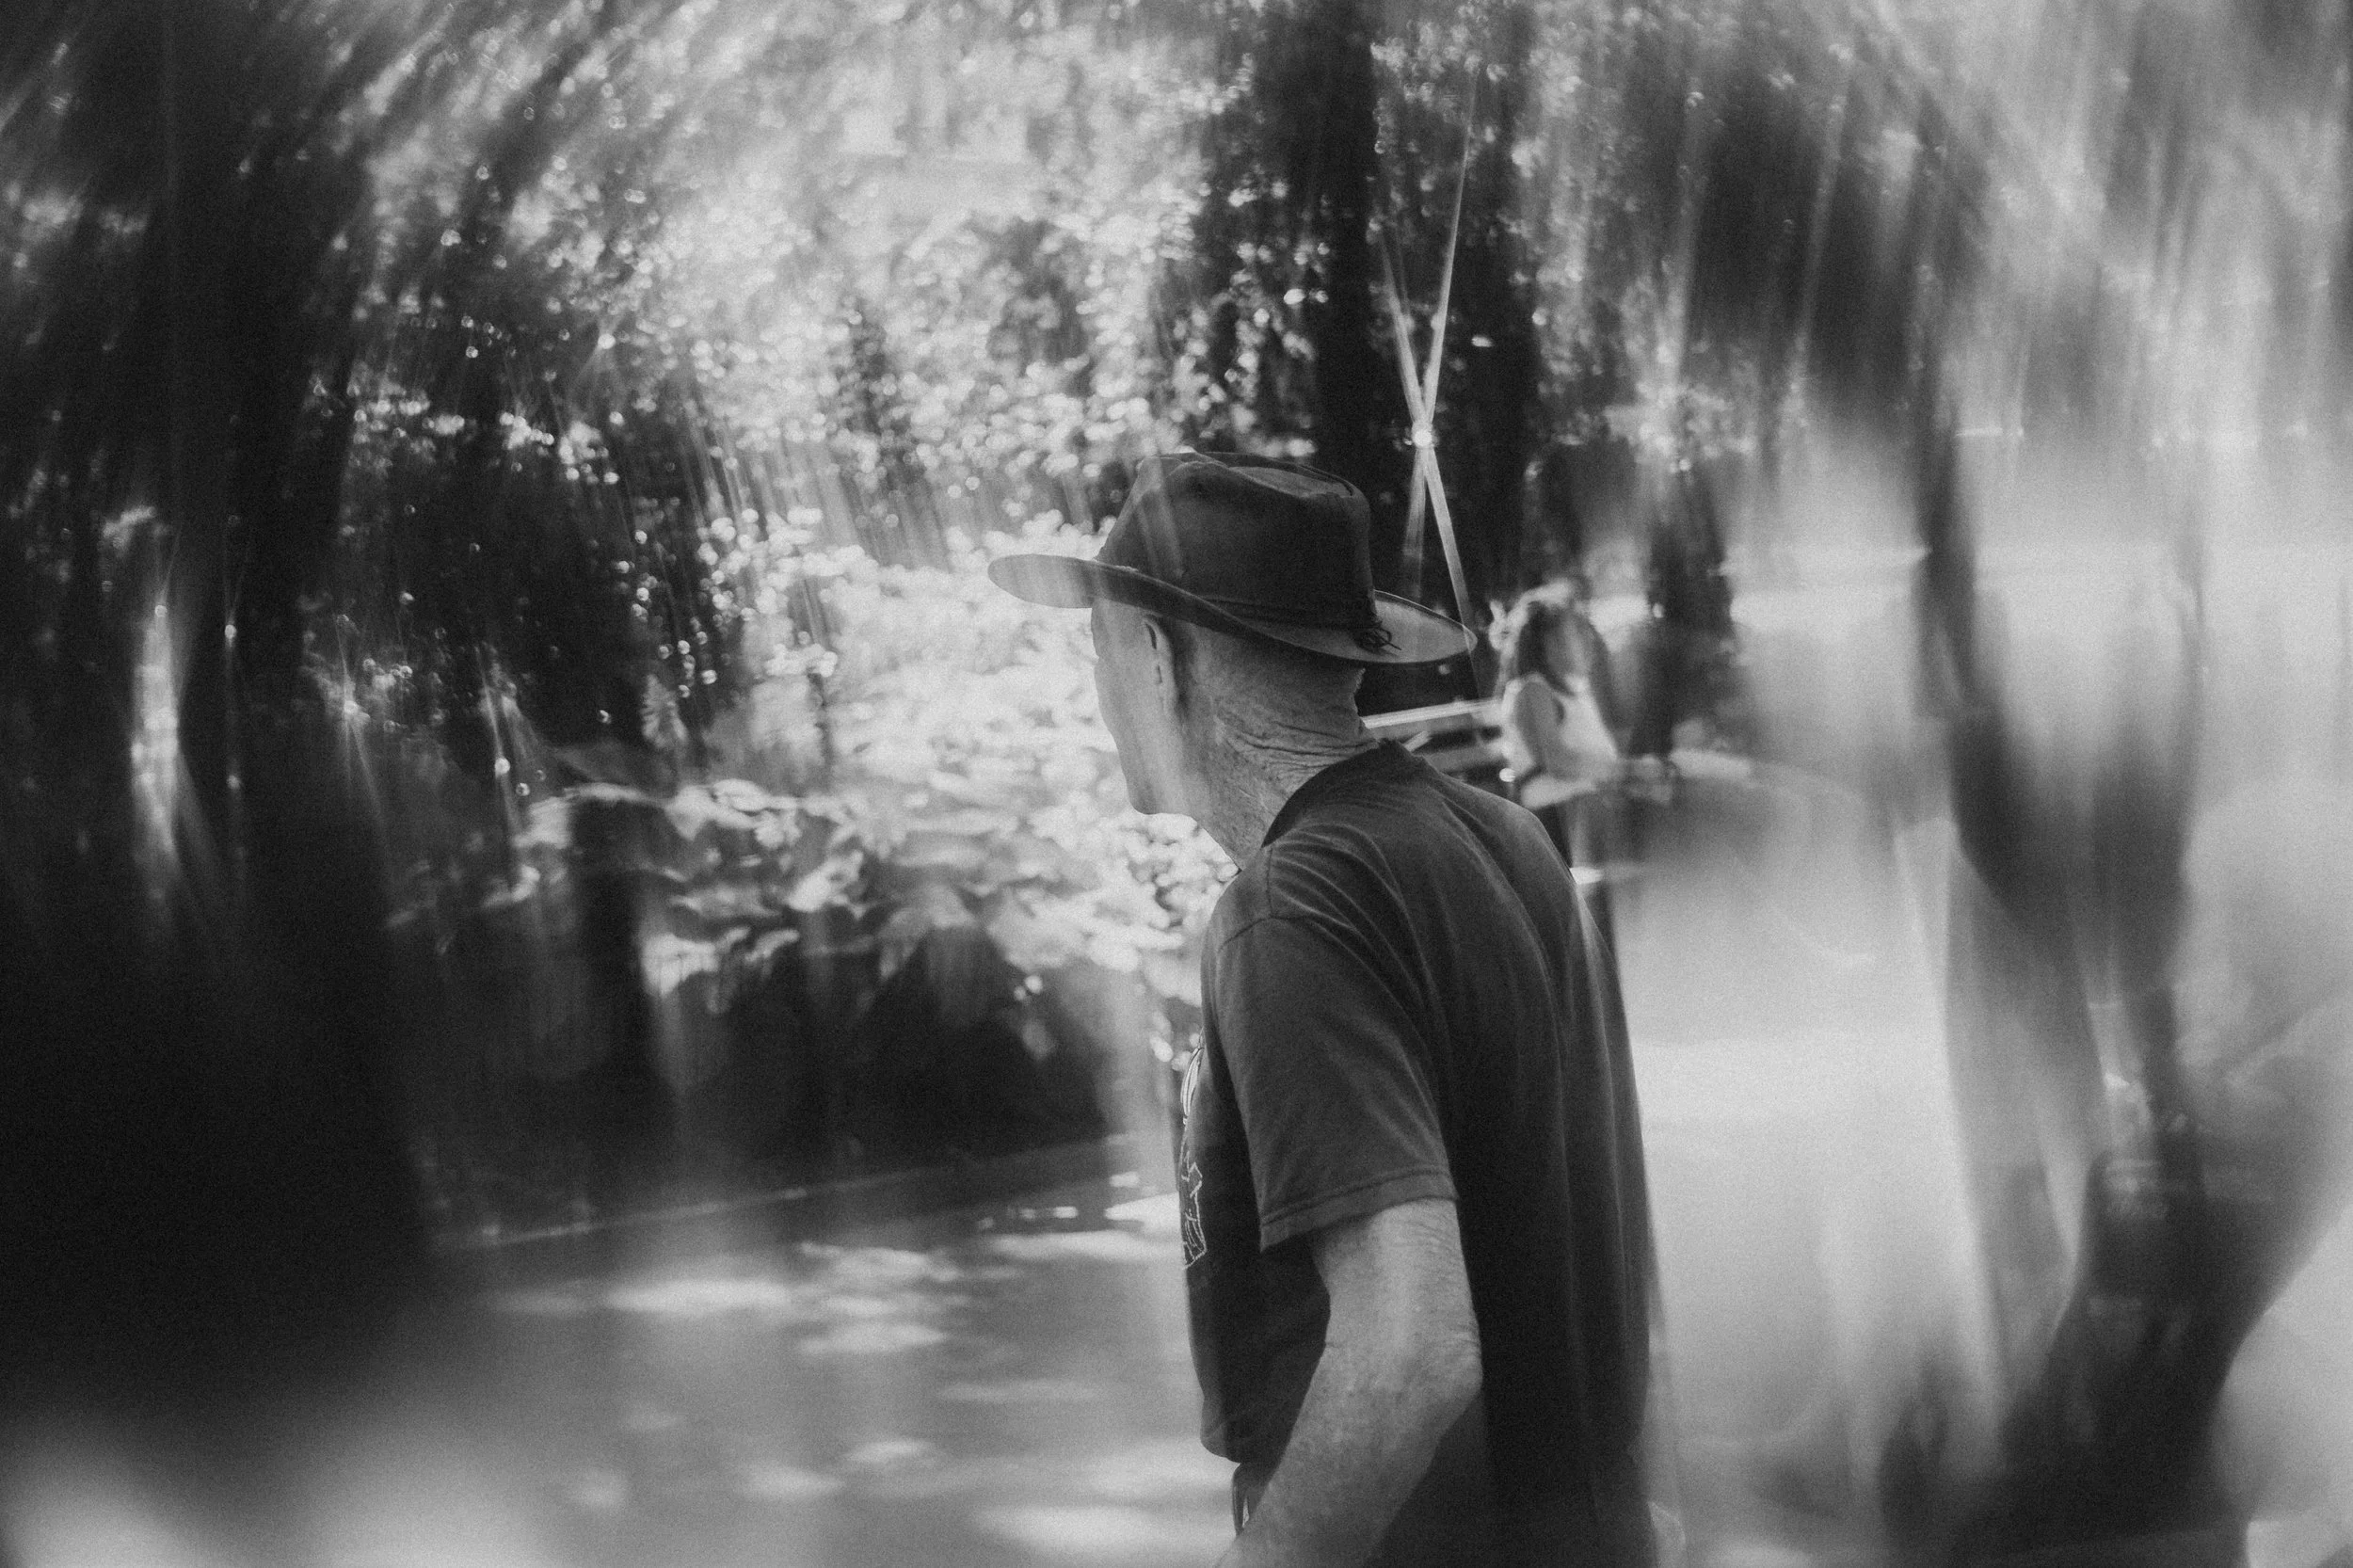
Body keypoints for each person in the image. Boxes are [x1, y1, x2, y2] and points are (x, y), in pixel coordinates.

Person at [990, 451, 1658, 1567]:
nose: (1093, 693)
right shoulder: (1502, 840)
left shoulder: (1288, 911)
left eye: (1096, 650)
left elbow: (1411, 1347)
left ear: (1156, 658)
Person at [1497, 583, 1623, 871]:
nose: (1589, 639)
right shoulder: (1533, 690)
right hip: (1559, 818)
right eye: (1577, 632)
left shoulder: (1575, 691)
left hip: (1587, 812)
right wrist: (1627, 771)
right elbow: (1558, 763)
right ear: (1548, 645)